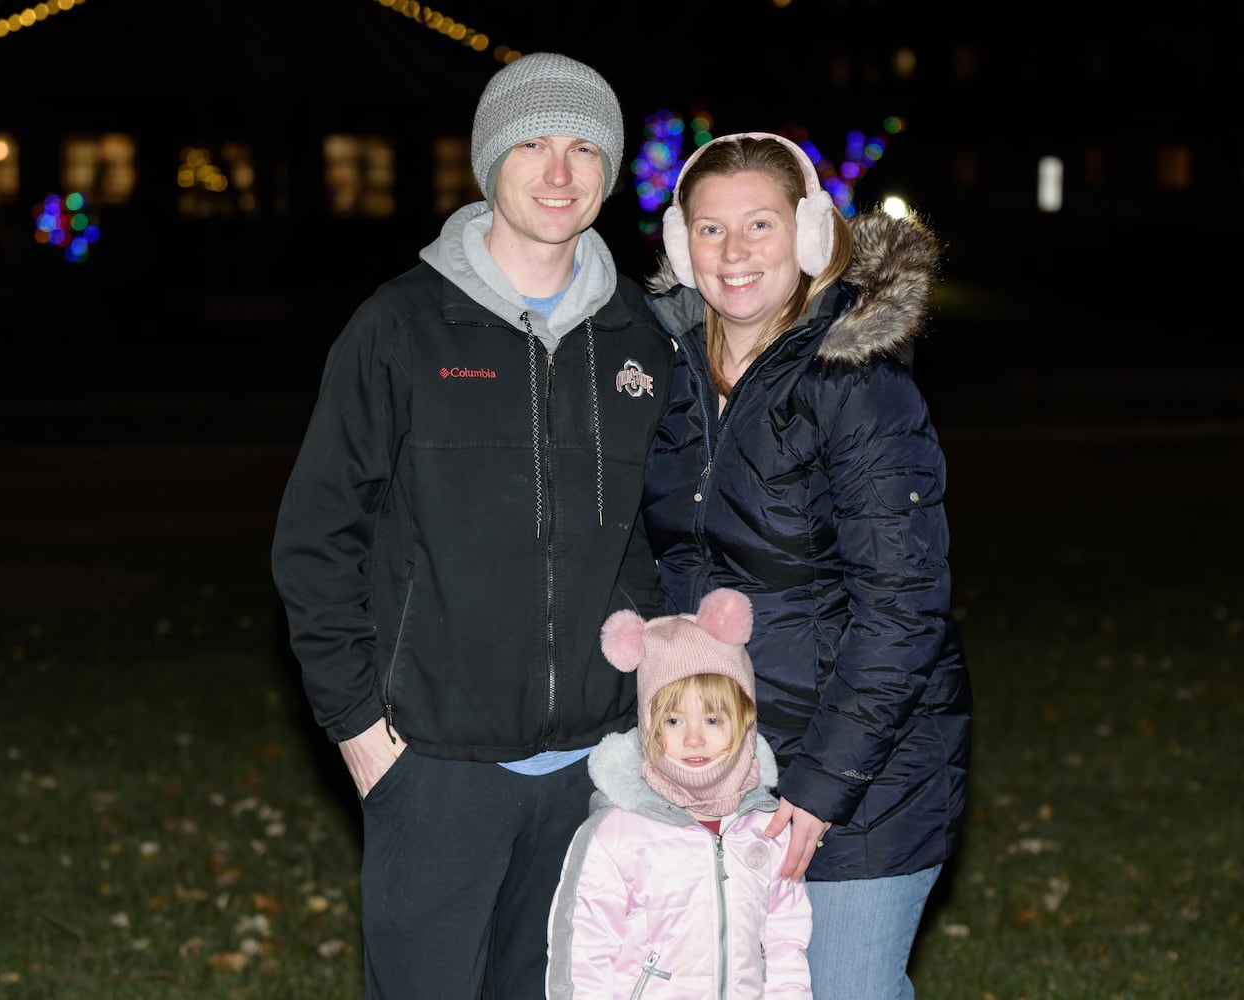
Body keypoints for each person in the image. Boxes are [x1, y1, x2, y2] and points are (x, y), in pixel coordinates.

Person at [270, 52, 673, 999]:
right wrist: (361, 731)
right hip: (437, 768)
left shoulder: (640, 337)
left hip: (596, 774)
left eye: (584, 149)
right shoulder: (402, 327)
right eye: (533, 144)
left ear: (611, 174)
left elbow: (657, 542)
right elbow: (315, 537)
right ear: (491, 161)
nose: (560, 173)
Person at [639, 132, 972, 999]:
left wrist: (823, 791)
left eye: (759, 224)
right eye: (710, 231)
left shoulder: (855, 381)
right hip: (721, 765)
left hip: (867, 785)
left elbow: (902, 606)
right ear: (681, 248)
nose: (735, 252)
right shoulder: (666, 379)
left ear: (811, 236)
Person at [546, 587, 813, 998]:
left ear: (744, 722)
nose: (693, 739)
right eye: (672, 720)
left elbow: (784, 942)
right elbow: (585, 951)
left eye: (711, 719)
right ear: (649, 725)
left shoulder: (767, 826)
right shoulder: (618, 833)